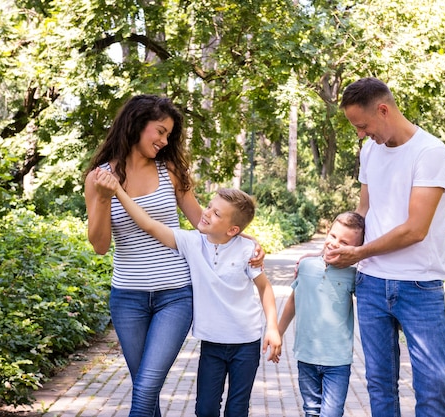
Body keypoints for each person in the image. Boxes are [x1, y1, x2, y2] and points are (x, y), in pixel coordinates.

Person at [84, 95, 263, 417]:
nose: (165, 141)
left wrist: (246, 240)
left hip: (175, 294)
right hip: (127, 297)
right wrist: (102, 197)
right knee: (144, 387)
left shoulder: (169, 170)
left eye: (169, 135)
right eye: (161, 131)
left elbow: (201, 222)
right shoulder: (98, 178)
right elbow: (99, 245)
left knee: (148, 384)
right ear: (137, 125)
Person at [95, 169, 281, 417]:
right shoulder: (192, 242)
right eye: (209, 207)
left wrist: (272, 328)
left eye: (217, 214)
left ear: (232, 229)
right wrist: (118, 191)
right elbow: (149, 224)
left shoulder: (247, 250)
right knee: (205, 409)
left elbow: (265, 288)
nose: (206, 213)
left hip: (246, 343)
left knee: (237, 409)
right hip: (212, 344)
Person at [325, 77, 445, 417]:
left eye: (363, 125)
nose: (360, 135)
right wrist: (336, 248)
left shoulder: (430, 153)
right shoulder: (370, 150)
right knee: (379, 385)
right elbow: (364, 211)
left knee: (430, 387)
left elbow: (415, 230)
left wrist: (360, 253)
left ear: (383, 110)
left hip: (419, 286)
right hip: (371, 286)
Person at [278, 211, 365, 417]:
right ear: (327, 232)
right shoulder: (306, 266)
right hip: (306, 354)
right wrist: (278, 333)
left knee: (331, 413)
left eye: (344, 242)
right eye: (333, 236)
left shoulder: (354, 276)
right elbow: (293, 302)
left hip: (338, 360)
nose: (335, 243)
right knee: (311, 410)